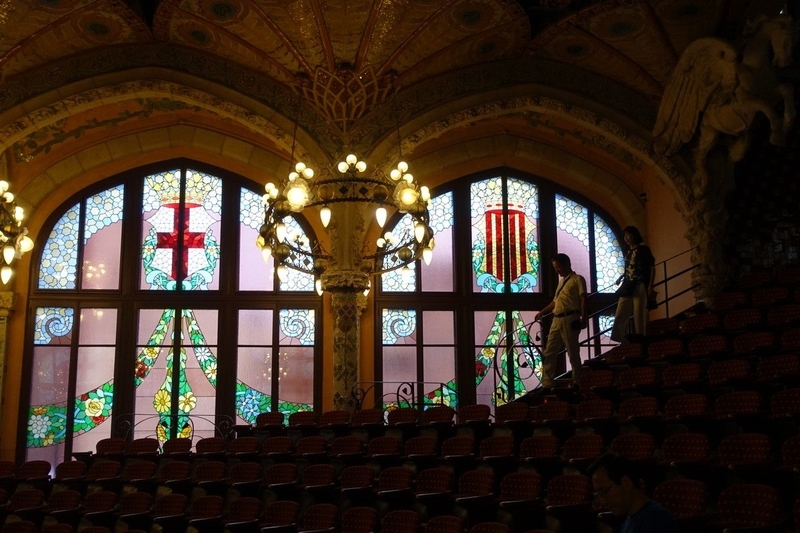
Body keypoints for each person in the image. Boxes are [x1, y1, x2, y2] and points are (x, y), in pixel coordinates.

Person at [588, 452, 678, 533]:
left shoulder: (655, 520)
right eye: (598, 495)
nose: (603, 502)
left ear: (626, 483)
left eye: (604, 492)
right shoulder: (631, 518)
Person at [535, 253, 587, 389]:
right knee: (549, 351)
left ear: (566, 264)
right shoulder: (561, 282)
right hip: (556, 319)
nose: (557, 270)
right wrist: (542, 312)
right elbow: (555, 302)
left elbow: (583, 298)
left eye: (558, 267)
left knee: (572, 351)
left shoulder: (578, 279)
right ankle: (547, 382)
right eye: (555, 267)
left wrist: (584, 316)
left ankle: (577, 380)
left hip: (570, 318)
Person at [610, 226, 655, 342]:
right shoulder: (628, 252)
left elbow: (651, 267)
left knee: (639, 314)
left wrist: (650, 285)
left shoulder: (644, 250)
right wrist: (621, 277)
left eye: (628, 235)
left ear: (634, 235)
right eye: (624, 236)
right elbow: (629, 269)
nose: (626, 238)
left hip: (640, 285)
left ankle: (642, 339)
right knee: (620, 312)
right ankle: (621, 337)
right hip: (628, 285)